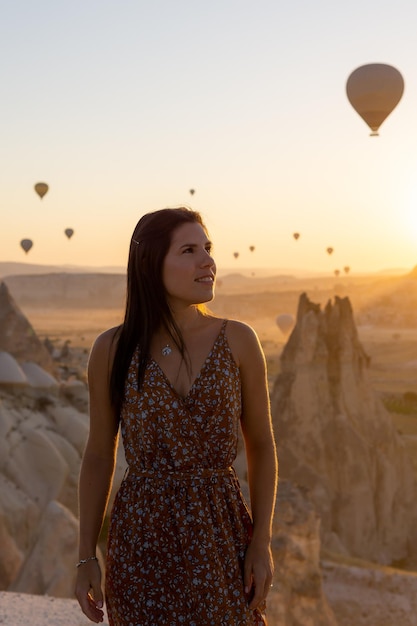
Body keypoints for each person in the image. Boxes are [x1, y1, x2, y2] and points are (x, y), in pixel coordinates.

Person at [75, 207, 278, 625]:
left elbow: (261, 444)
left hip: (221, 535)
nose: (208, 261)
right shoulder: (112, 349)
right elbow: (98, 455)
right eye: (189, 250)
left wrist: (261, 543)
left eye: (208, 247)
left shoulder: (239, 340)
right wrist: (85, 557)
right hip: (140, 541)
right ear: (151, 264)